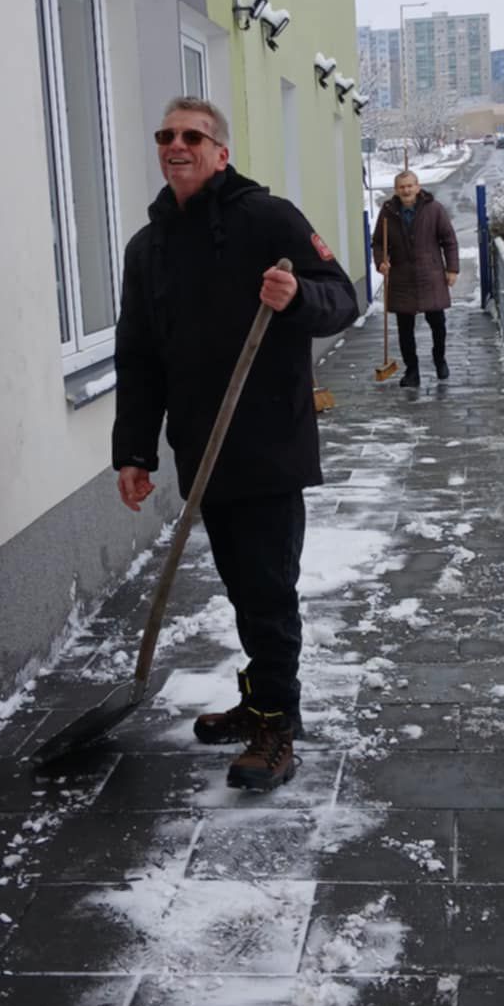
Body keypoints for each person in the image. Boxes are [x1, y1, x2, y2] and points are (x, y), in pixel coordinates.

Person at [112, 97, 358, 792]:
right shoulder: (147, 248)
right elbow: (138, 358)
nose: (176, 146)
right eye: (166, 135)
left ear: (221, 152)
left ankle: (276, 724)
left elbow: (341, 298)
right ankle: (259, 699)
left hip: (269, 442)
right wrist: (134, 452)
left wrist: (297, 297)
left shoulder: (269, 219)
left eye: (193, 136)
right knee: (242, 585)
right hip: (203, 448)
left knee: (267, 590)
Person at [371, 169, 459, 388]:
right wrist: (381, 261)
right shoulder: (388, 212)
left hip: (430, 274)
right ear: (396, 190)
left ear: (418, 187)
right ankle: (412, 371)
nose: (406, 190)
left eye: (410, 186)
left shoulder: (434, 209)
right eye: (402, 187)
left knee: (438, 323)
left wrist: (452, 269)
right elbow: (378, 242)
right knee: (405, 329)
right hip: (401, 276)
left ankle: (440, 359)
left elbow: (449, 240)